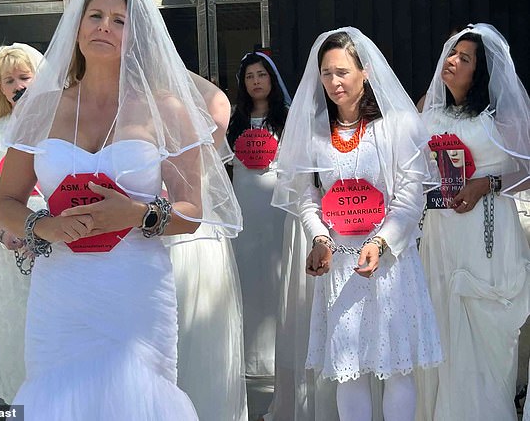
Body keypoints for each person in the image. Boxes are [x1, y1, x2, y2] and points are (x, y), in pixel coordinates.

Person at [0, 0, 241, 420]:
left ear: (136, 35)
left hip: (135, 290)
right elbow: (3, 203)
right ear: (77, 25)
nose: (104, 27)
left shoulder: (165, 110)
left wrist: (136, 213)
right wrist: (43, 226)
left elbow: (191, 211)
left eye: (119, 20)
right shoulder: (40, 107)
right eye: (95, 16)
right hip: (62, 293)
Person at [272, 27, 442, 421]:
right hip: (341, 263)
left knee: (397, 366)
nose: (334, 82)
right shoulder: (316, 133)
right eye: (326, 74)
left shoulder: (396, 126)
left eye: (342, 72)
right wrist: (319, 237)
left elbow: (410, 197)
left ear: (364, 72)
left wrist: (382, 243)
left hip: (391, 262)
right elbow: (307, 195)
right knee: (349, 369)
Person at [417, 23, 530, 421]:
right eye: (451, 53)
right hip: (442, 232)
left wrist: (487, 183)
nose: (452, 61)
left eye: (464, 58)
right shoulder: (428, 110)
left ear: (480, 72)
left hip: (487, 232)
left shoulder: (498, 118)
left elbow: (528, 171)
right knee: (442, 320)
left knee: (485, 328)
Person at [169, 71, 248, 421]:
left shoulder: (202, 129)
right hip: (148, 241)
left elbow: (218, 104)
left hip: (194, 240)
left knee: (198, 339)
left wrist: (161, 60)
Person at [0, 43, 45, 404]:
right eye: (8, 80)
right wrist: (1, 229)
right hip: (7, 248)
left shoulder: (62, 124)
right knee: (16, 329)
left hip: (57, 241)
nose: (17, 85)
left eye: (24, 77)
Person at [227, 51, 290, 377]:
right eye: (250, 76)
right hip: (244, 211)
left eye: (261, 75)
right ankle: (250, 358)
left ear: (272, 79)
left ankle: (279, 355)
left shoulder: (287, 119)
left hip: (276, 211)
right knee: (248, 277)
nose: (256, 82)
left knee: (277, 277)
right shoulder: (232, 121)